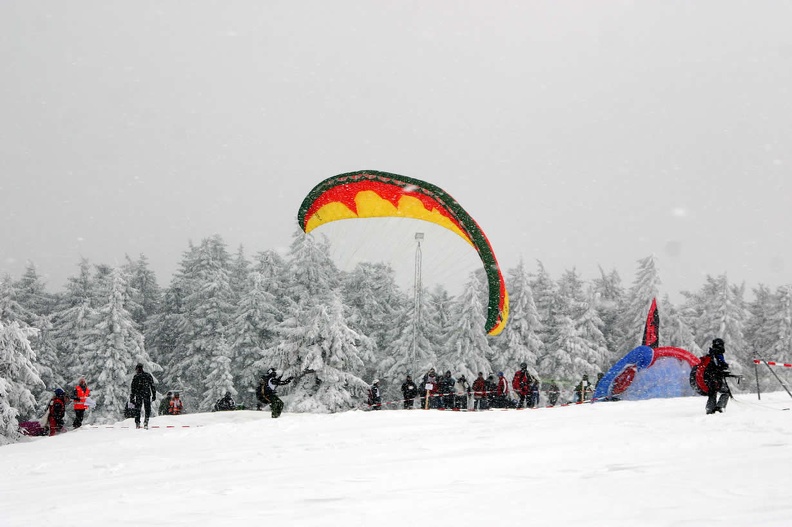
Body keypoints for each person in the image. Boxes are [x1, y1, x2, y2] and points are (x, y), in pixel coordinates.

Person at [704, 338, 731, 414]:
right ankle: (720, 407)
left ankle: (709, 409)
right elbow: (721, 365)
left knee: (712, 392)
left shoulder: (710, 353)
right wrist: (725, 366)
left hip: (708, 377)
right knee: (725, 392)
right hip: (715, 377)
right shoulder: (718, 354)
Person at [130, 363, 156, 429]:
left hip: (139, 395)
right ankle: (146, 422)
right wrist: (154, 394)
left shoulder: (136, 377)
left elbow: (133, 388)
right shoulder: (147, 375)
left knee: (138, 409)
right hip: (146, 394)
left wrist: (132, 397)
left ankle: (138, 423)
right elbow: (152, 386)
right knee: (147, 409)